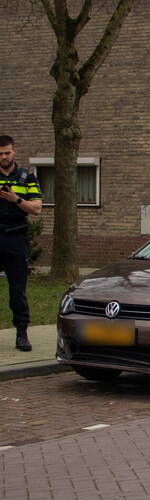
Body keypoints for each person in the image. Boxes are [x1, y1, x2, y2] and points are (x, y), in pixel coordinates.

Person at [0, 135, 43, 351]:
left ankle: (22, 333)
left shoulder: (27, 177)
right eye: (0, 154)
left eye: (7, 152)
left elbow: (36, 208)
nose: (4, 157)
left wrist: (16, 199)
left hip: (16, 237)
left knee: (18, 288)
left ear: (14, 152)